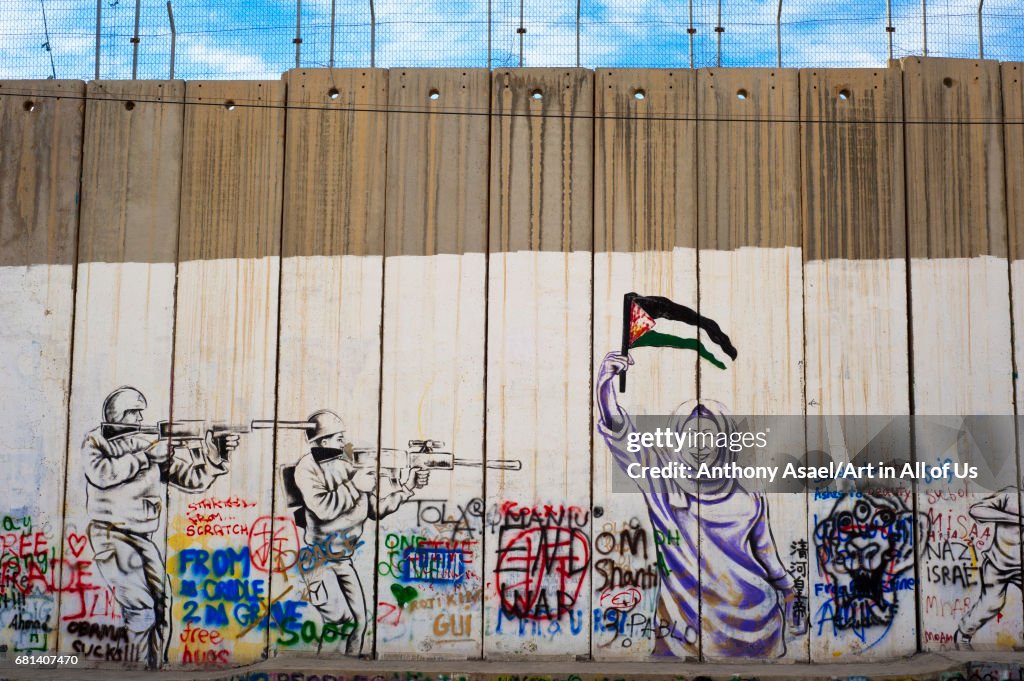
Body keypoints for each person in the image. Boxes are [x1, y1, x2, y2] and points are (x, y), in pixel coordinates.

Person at [595, 352, 805, 659]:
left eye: (709, 435)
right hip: (684, 635)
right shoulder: (663, 485)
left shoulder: (748, 497)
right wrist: (605, 387)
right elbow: (622, 435)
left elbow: (768, 560)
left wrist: (791, 597)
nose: (699, 445)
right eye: (690, 435)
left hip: (758, 628)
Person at [83, 386, 237, 669]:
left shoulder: (147, 444)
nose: (140, 418)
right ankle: (135, 670)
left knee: (160, 607)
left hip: (142, 538)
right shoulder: (97, 441)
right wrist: (146, 458)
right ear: (116, 415)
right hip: (110, 534)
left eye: (140, 412)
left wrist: (215, 458)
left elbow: (192, 480)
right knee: (140, 611)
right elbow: (102, 474)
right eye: (133, 412)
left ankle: (153, 668)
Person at [293, 410, 429, 656]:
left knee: (359, 623)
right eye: (338, 438)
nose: (344, 443)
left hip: (344, 560)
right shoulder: (308, 467)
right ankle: (327, 672)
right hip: (318, 560)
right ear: (323, 441)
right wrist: (355, 485)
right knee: (340, 622)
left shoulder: (349, 464)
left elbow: (376, 508)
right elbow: (323, 508)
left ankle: (348, 667)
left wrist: (407, 487)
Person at [955, 486, 1023, 650]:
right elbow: (977, 510)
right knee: (991, 604)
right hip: (999, 564)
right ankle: (963, 635)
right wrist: (1015, 518)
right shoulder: (1010, 495)